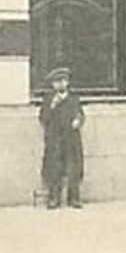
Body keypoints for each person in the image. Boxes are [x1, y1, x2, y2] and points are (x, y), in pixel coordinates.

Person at [39, 66, 85, 209]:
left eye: (63, 81)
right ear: (53, 84)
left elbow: (80, 114)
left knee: (74, 168)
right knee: (54, 167)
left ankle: (74, 198)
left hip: (71, 139)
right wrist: (53, 105)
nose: (61, 84)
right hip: (55, 139)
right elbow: (42, 118)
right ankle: (54, 198)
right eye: (57, 81)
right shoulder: (48, 100)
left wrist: (78, 120)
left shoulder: (74, 98)